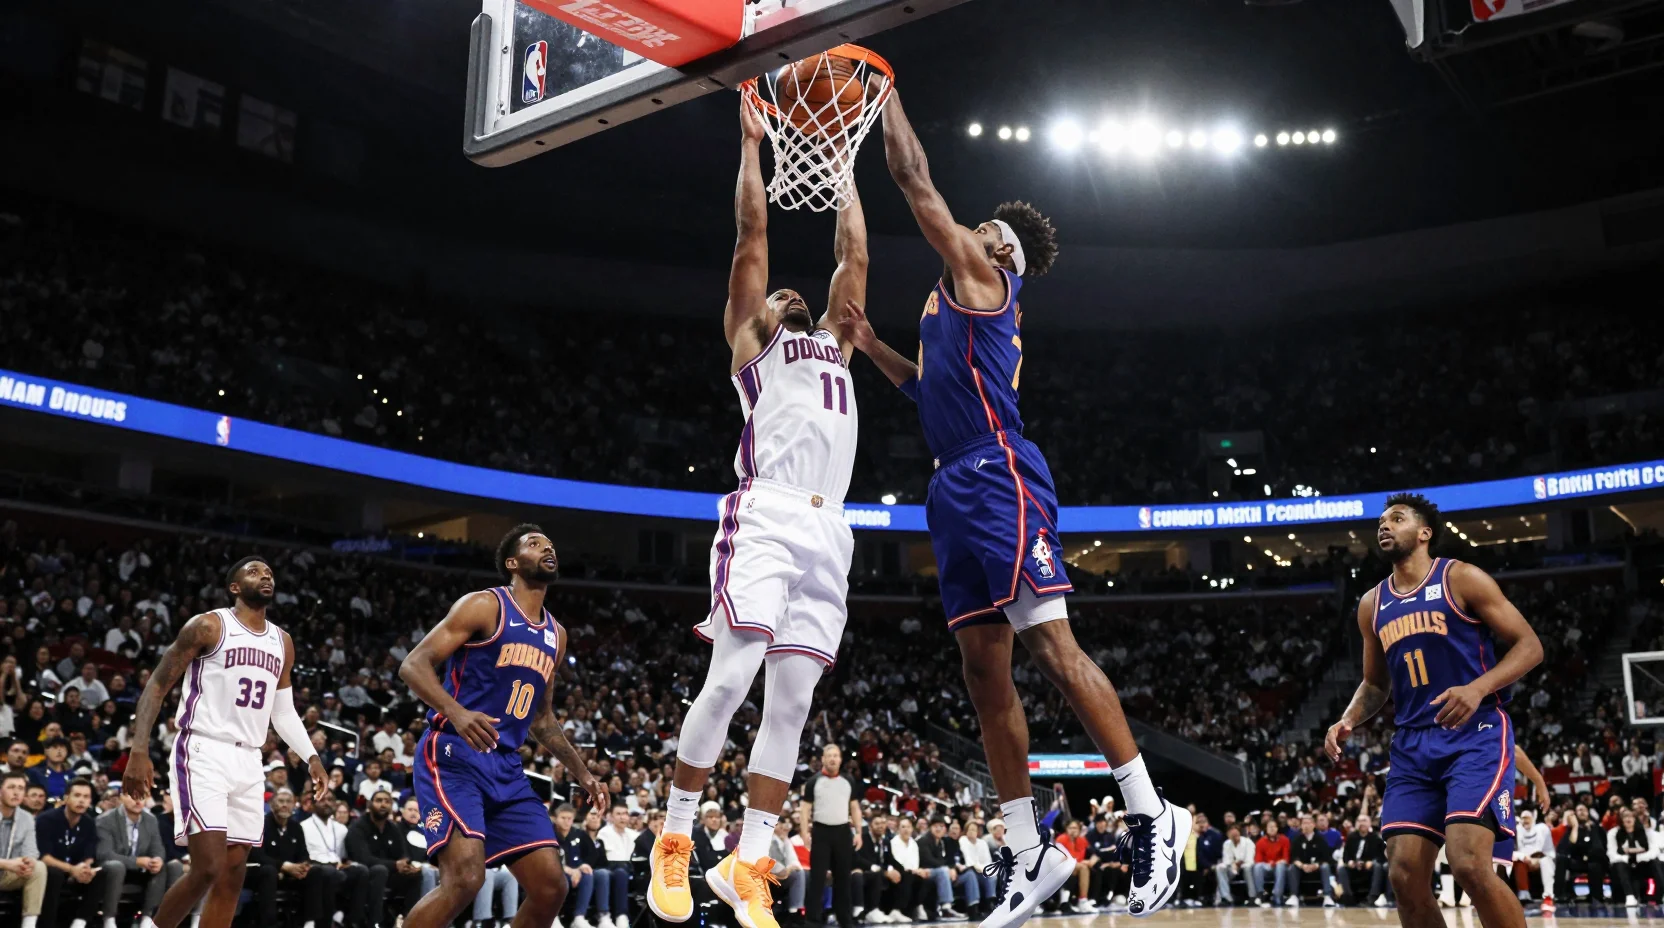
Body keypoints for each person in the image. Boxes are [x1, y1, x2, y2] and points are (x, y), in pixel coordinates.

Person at [842, 84, 1186, 928]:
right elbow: (928, 392)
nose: (978, 232)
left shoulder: (981, 281)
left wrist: (882, 93)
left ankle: (1152, 813)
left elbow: (916, 178)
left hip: (1000, 475)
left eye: (990, 232)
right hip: (951, 479)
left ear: (1003, 260)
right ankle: (1030, 851)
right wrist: (870, 345)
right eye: (983, 226)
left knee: (1053, 649)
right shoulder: (946, 308)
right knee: (982, 670)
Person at [649, 98, 868, 928]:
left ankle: (749, 861)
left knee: (793, 705)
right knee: (733, 676)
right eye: (776, 294)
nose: (788, 290)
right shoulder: (754, 342)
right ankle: (673, 840)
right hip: (768, 513)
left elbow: (853, 254)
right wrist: (752, 149)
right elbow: (753, 238)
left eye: (791, 292)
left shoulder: (840, 344)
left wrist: (843, 168)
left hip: (832, 526)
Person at [1326, 494, 1544, 928]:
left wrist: (1477, 689)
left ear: (1424, 533)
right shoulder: (1372, 604)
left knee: (1468, 864)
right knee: (1404, 875)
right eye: (1382, 520)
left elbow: (1531, 646)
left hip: (1474, 732)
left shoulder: (1461, 578)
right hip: (1411, 744)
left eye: (1397, 519)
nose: (1384, 526)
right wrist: (1348, 718)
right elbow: (1375, 683)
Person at [399, 526, 604, 928]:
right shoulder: (484, 605)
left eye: (550, 543)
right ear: (512, 563)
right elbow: (413, 665)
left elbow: (542, 719)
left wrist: (583, 773)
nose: (547, 547)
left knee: (551, 886)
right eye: (534, 543)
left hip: (506, 768)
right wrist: (456, 711)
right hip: (453, 754)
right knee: (465, 879)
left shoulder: (555, 635)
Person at [121, 557, 328, 928]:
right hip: (203, 749)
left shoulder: (283, 642)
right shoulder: (209, 625)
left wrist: (311, 756)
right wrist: (139, 749)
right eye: (254, 571)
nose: (265, 575)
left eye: (269, 573)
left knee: (233, 874)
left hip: (249, 759)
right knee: (208, 867)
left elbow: (282, 713)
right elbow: (157, 684)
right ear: (234, 587)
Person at [96, 788, 181, 928]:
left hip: (142, 871)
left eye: (142, 796)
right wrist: (137, 862)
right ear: (122, 797)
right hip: (112, 870)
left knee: (166, 866)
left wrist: (158, 859)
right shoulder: (105, 820)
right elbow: (104, 854)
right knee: (116, 866)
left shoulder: (151, 820)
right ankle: (109, 920)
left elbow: (157, 848)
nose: (137, 800)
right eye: (132, 795)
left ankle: (149, 919)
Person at [802, 745, 864, 928]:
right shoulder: (814, 781)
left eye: (836, 756)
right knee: (817, 878)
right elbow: (805, 809)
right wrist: (805, 832)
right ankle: (812, 921)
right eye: (829, 755)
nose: (832, 759)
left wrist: (859, 832)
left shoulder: (848, 780)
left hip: (843, 832)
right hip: (821, 832)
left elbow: (854, 807)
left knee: (843, 878)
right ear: (823, 759)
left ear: (840, 759)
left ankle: (844, 919)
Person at [346, 789, 424, 928]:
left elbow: (403, 855)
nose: (383, 804)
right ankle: (375, 922)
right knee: (379, 870)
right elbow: (364, 858)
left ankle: (407, 919)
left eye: (387, 801)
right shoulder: (358, 827)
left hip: (389, 875)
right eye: (379, 801)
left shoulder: (392, 828)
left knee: (416, 874)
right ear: (370, 804)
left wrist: (407, 866)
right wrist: (395, 865)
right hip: (363, 874)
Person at [37, 778, 108, 928]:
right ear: (66, 798)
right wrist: (71, 870)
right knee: (54, 874)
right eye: (77, 795)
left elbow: (90, 853)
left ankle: (80, 922)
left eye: (86, 797)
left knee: (100, 873)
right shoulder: (46, 820)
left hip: (76, 871)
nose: (82, 801)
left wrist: (85, 868)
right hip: (54, 870)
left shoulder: (89, 822)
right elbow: (44, 857)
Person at [0, 770, 47, 928]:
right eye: (11, 787)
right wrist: (7, 864)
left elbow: (32, 851)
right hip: (6, 867)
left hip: (8, 874)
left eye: (21, 788)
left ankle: (29, 924)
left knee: (39, 867)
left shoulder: (26, 817)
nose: (16, 792)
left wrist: (27, 863)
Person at [918, 818, 975, 920]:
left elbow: (945, 861)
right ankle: (946, 909)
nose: (939, 829)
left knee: (969, 875)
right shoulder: (923, 840)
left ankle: (974, 908)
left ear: (945, 829)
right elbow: (928, 861)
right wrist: (947, 868)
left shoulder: (940, 842)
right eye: (936, 826)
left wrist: (951, 868)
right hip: (925, 871)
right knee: (943, 871)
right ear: (930, 828)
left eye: (941, 826)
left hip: (939, 872)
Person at [1555, 803, 1608, 904]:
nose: (1581, 812)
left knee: (1595, 864)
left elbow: (1600, 849)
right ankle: (1560, 895)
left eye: (1583, 810)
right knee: (1561, 859)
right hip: (1577, 860)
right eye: (1579, 810)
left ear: (1588, 813)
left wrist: (1590, 831)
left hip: (1594, 860)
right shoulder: (1572, 830)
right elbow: (1564, 848)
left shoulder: (1597, 828)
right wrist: (1575, 828)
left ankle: (1596, 896)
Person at [595, 805, 636, 928]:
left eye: (625, 813)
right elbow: (606, 858)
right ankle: (621, 916)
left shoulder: (634, 834)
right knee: (620, 873)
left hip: (631, 868)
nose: (622, 817)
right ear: (611, 817)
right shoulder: (604, 833)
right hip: (611, 868)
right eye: (618, 814)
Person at [1607, 807, 1656, 906]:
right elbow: (1612, 854)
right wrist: (1629, 857)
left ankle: (1649, 897)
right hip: (1623, 862)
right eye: (1625, 816)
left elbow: (1653, 851)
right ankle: (1630, 897)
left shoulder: (1645, 831)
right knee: (1620, 866)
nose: (1628, 819)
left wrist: (1634, 857)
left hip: (1643, 861)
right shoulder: (1613, 832)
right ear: (1621, 819)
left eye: (1631, 816)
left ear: (1635, 819)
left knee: (1651, 864)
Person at [1338, 815, 1388, 907]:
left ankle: (1372, 896)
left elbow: (1382, 857)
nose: (1362, 823)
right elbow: (1345, 856)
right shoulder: (1351, 837)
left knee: (1377, 866)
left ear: (1369, 823)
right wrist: (1349, 862)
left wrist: (1372, 862)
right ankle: (1348, 897)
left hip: (1369, 867)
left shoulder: (1376, 838)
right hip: (1354, 866)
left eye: (1364, 820)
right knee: (1341, 869)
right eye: (1359, 821)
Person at [1289, 814, 1337, 908]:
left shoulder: (1321, 839)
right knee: (1292, 867)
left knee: (1325, 866)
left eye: (1308, 823)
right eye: (1303, 823)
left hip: (1317, 869)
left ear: (1313, 825)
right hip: (1302, 869)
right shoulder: (1296, 839)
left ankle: (1327, 896)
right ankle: (1293, 896)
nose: (1306, 825)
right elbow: (1294, 857)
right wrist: (1302, 866)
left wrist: (1316, 865)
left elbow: (1326, 858)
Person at [1511, 807, 1555, 911]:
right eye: (1523, 818)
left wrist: (1538, 858)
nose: (1525, 821)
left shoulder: (1542, 828)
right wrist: (1524, 857)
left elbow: (1549, 849)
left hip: (1542, 858)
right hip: (1525, 859)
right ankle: (1523, 896)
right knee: (1518, 861)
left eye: (1527, 818)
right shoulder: (1516, 830)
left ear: (1533, 818)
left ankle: (1548, 898)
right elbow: (1511, 851)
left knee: (1546, 861)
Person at [885, 818, 927, 923]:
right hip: (897, 871)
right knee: (908, 876)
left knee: (923, 877)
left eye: (908, 827)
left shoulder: (914, 844)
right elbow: (895, 862)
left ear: (912, 829)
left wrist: (918, 870)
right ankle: (896, 910)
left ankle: (918, 907)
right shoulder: (893, 842)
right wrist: (911, 870)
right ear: (898, 829)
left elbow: (915, 862)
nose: (906, 830)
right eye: (903, 827)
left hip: (911, 871)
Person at [1250, 819, 1289, 907]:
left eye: (1274, 826)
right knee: (1257, 866)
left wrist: (1276, 863)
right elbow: (1258, 859)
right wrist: (1269, 864)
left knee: (1280, 865)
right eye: (1269, 827)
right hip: (1267, 866)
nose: (1272, 828)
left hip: (1279, 866)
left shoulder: (1284, 839)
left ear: (1277, 828)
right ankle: (1261, 894)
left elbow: (1286, 858)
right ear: (1266, 829)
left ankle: (1277, 895)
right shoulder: (1261, 842)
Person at [1215, 824, 1254, 907]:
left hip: (1246, 867)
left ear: (1239, 833)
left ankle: (1252, 897)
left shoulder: (1248, 842)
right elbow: (1226, 861)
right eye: (1232, 834)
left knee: (1247, 868)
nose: (1234, 836)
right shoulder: (1226, 843)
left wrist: (1238, 863)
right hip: (1233, 868)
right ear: (1228, 835)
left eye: (1236, 834)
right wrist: (1233, 865)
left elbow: (1250, 860)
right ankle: (1226, 898)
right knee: (1220, 867)